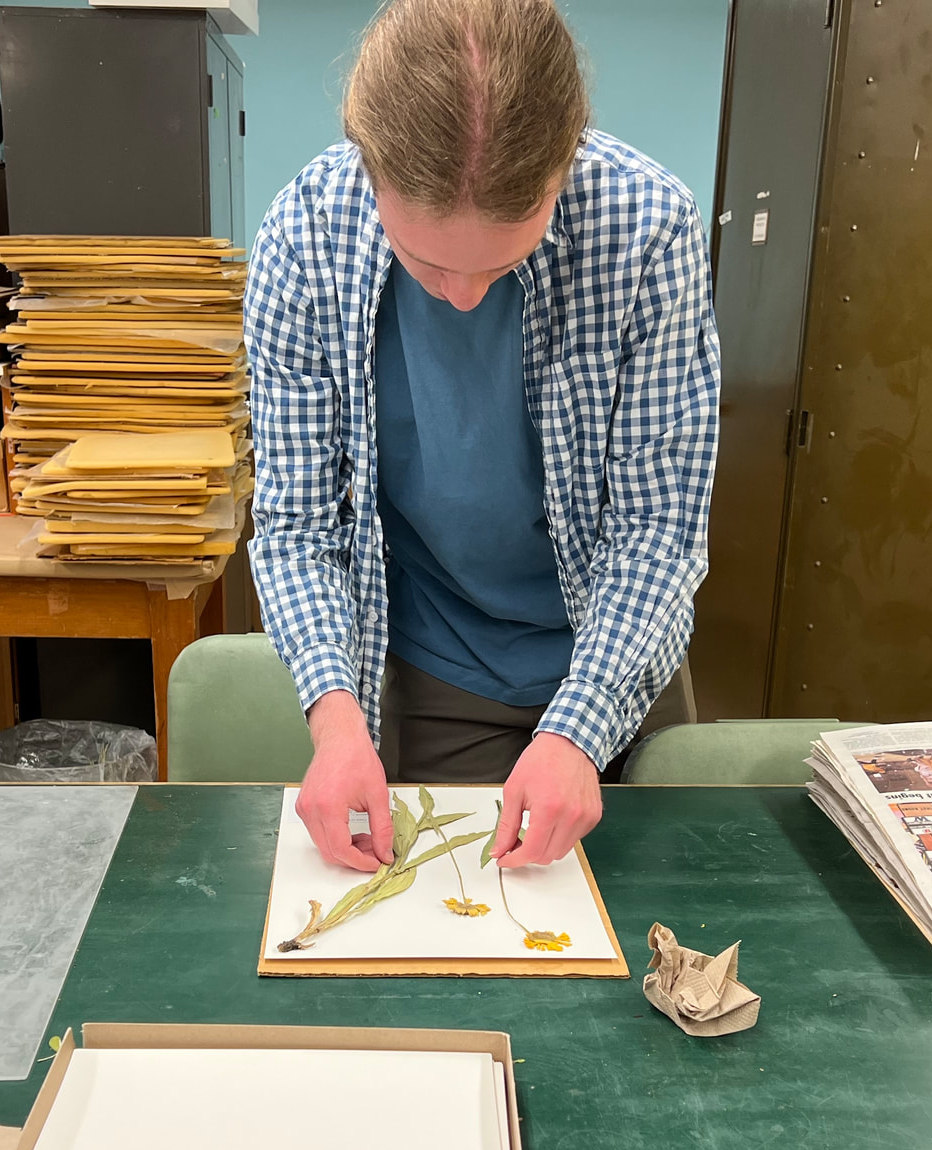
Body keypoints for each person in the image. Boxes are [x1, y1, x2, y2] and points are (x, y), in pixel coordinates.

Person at [245, 0, 719, 872]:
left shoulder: (649, 228)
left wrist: (580, 728)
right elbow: (298, 522)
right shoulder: (304, 234)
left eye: (501, 262)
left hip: (619, 659)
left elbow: (657, 530)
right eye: (427, 265)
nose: (463, 296)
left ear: (564, 165)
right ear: (369, 169)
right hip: (440, 666)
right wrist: (335, 713)